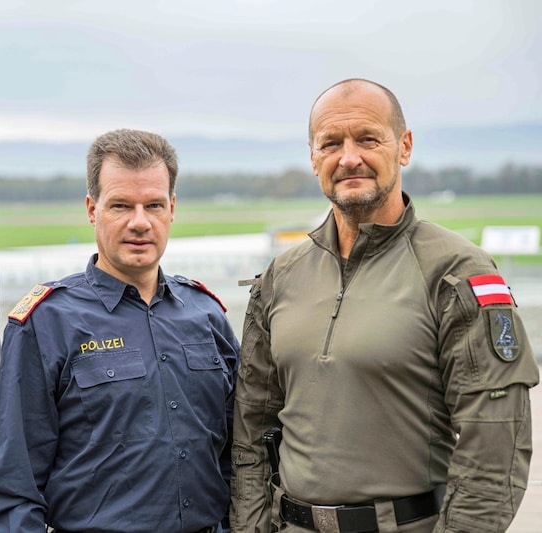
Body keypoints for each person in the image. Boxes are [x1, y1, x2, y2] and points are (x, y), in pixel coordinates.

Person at [230, 79, 539, 533]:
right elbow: (251, 430)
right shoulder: (281, 277)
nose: (349, 157)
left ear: (404, 146)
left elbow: (495, 441)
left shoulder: (458, 272)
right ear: (313, 157)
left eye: (368, 139)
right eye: (331, 143)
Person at [0, 128, 240, 533]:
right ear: (91, 209)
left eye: (153, 205)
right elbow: (15, 490)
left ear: (172, 208)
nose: (140, 222)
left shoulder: (207, 315)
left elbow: (239, 459)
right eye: (121, 205)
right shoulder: (47, 323)